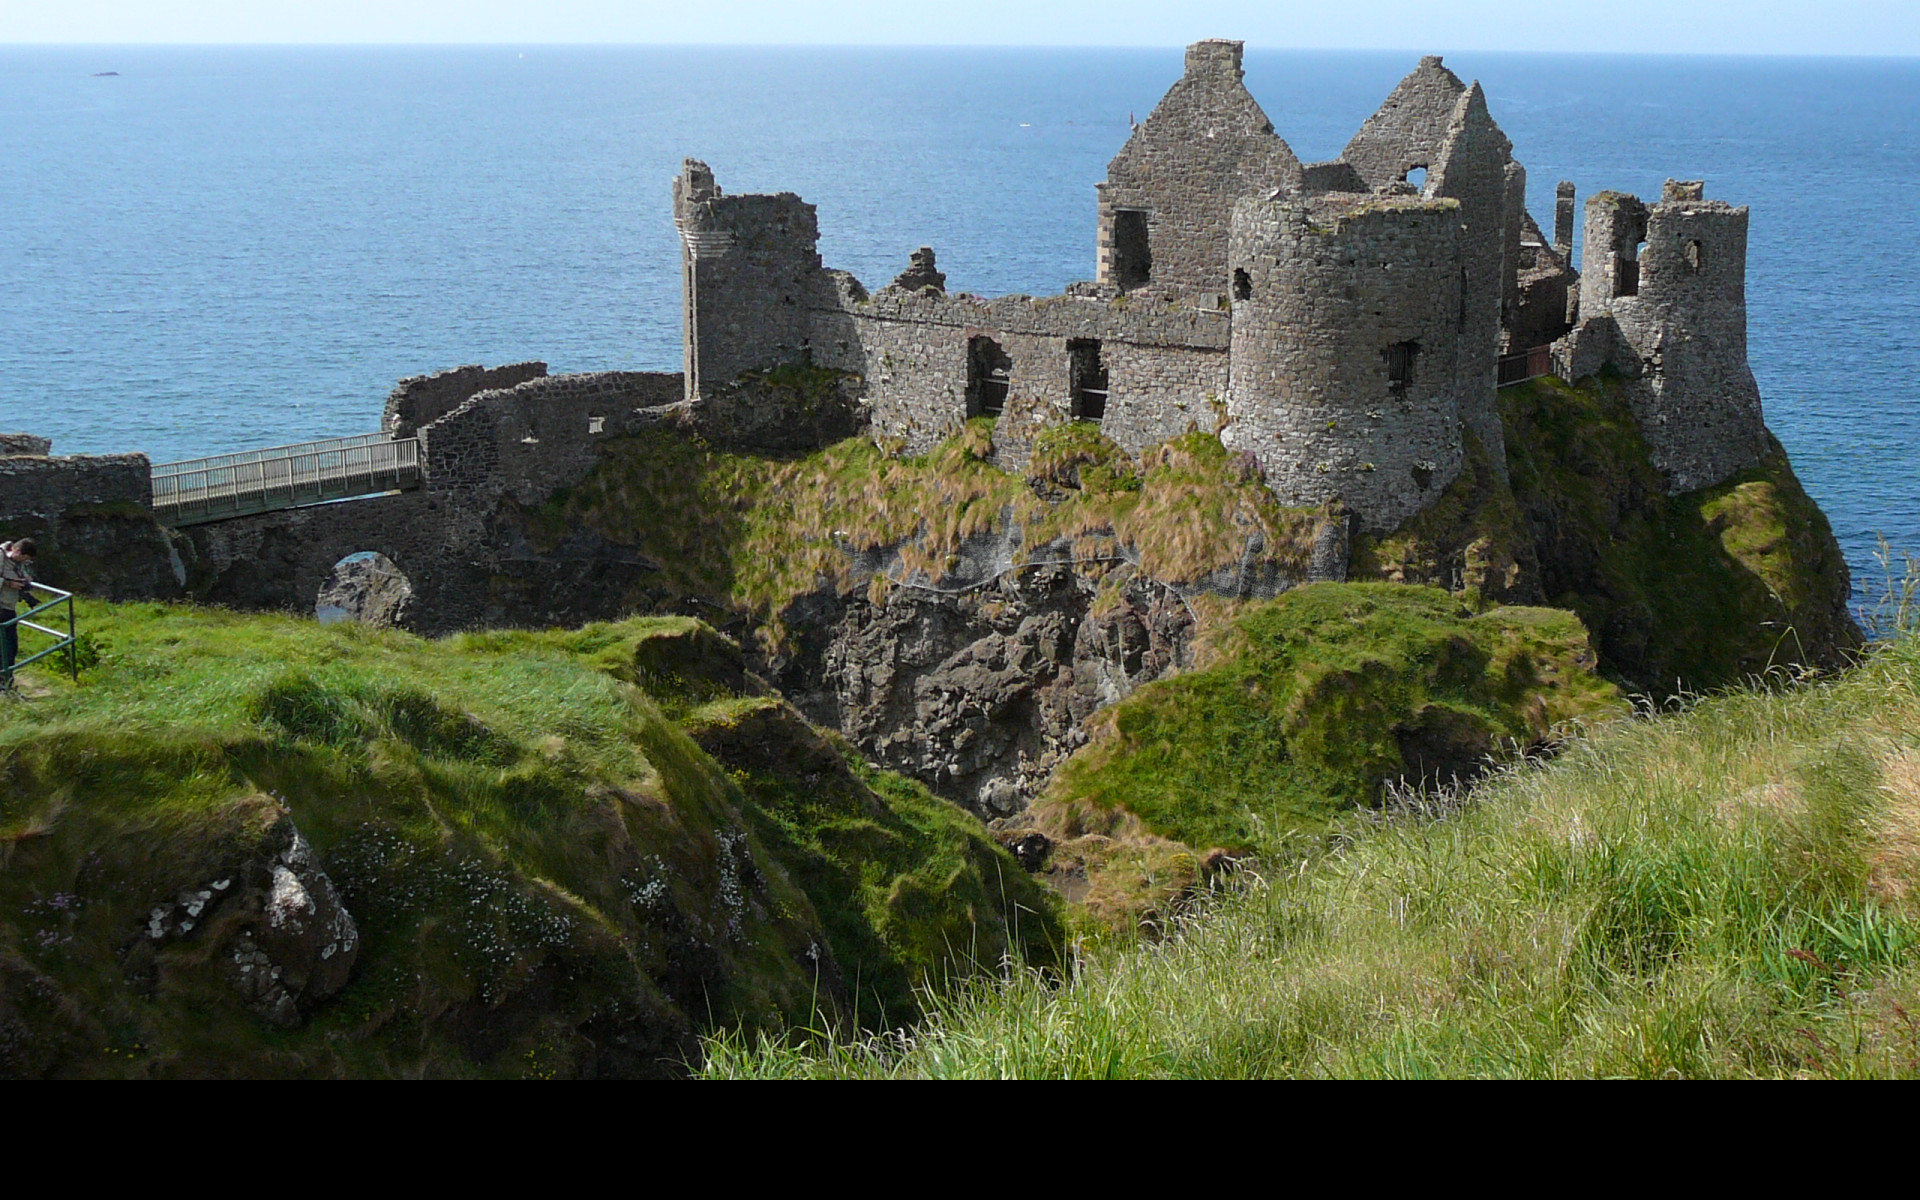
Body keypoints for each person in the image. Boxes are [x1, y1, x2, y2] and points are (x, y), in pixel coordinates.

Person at [1, 537, 37, 691]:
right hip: (2, 607)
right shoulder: (1, 558)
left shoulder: (16, 563)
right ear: (16, 550)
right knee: (6, 647)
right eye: (23, 557)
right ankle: (5, 683)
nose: (23, 561)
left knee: (10, 647)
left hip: (8, 607)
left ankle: (6, 681)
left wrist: (24, 582)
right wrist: (9, 583)